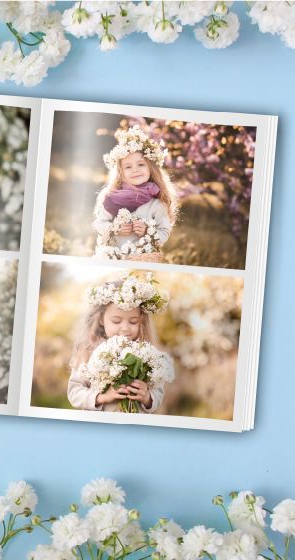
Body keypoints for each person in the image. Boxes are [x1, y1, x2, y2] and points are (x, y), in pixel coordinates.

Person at [68, 273, 173, 412]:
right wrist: (101, 397)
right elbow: (74, 392)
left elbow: (158, 394)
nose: (125, 328)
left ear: (141, 321)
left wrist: (147, 397)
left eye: (133, 321)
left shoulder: (147, 354)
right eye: (116, 321)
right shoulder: (88, 351)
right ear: (101, 320)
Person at [93, 126, 178, 260]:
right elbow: (99, 223)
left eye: (141, 164)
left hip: (141, 259)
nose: (135, 170)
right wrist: (115, 229)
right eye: (128, 166)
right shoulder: (112, 198)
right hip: (113, 257)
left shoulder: (156, 204)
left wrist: (147, 232)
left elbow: (164, 232)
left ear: (151, 168)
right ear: (121, 173)